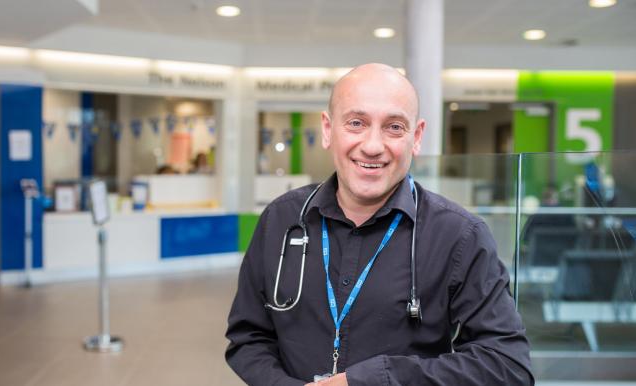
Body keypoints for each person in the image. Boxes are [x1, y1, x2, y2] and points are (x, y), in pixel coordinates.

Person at [225, 63, 533, 386]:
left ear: (416, 137)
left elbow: (507, 366)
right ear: (328, 130)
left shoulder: (460, 237)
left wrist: (374, 380)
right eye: (356, 123)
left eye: (394, 127)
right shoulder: (281, 220)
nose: (372, 146)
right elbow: (248, 338)